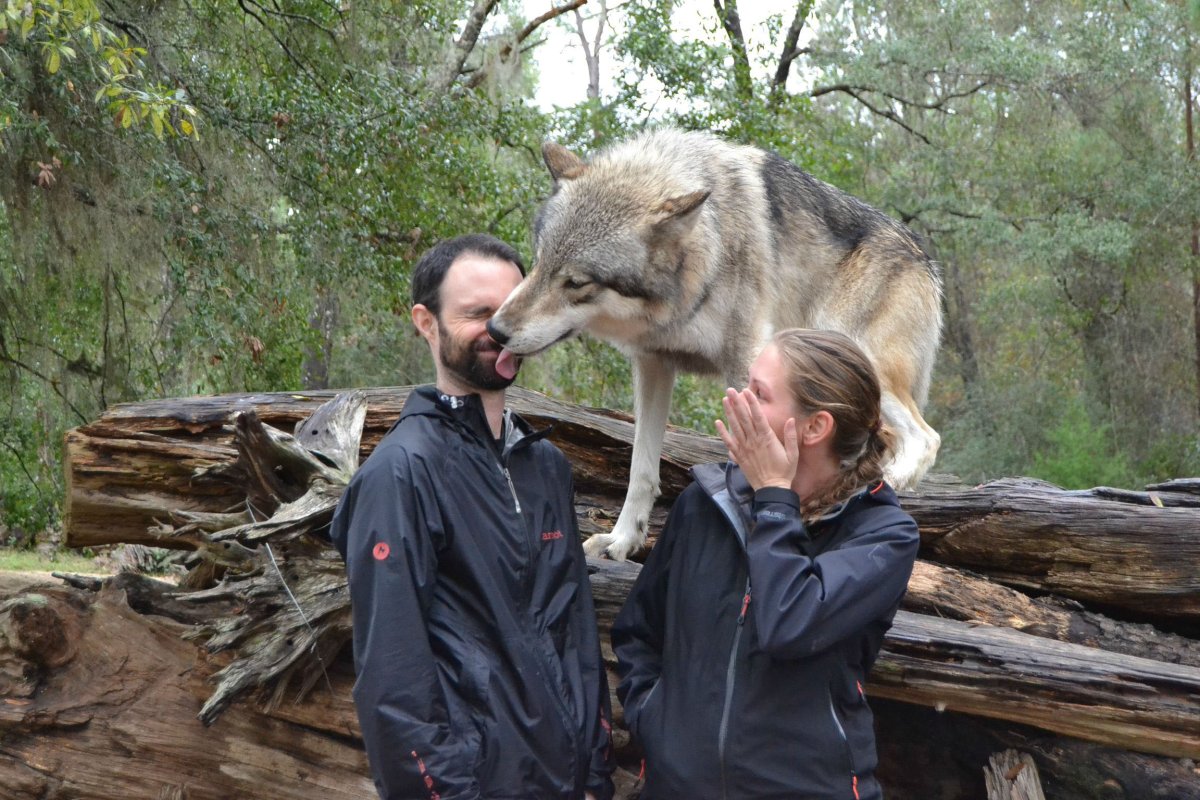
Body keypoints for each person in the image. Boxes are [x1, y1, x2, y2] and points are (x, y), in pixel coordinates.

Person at [330, 234, 614, 800]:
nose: (500, 328)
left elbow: (577, 636)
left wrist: (595, 775)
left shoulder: (545, 467)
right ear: (426, 323)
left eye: (510, 309)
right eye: (477, 314)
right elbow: (393, 682)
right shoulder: (400, 473)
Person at [611, 328, 920, 800]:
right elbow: (639, 632)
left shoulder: (883, 536)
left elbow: (789, 623)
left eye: (759, 393)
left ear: (815, 428)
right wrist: (655, 721)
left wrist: (775, 498)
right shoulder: (704, 504)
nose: (738, 400)